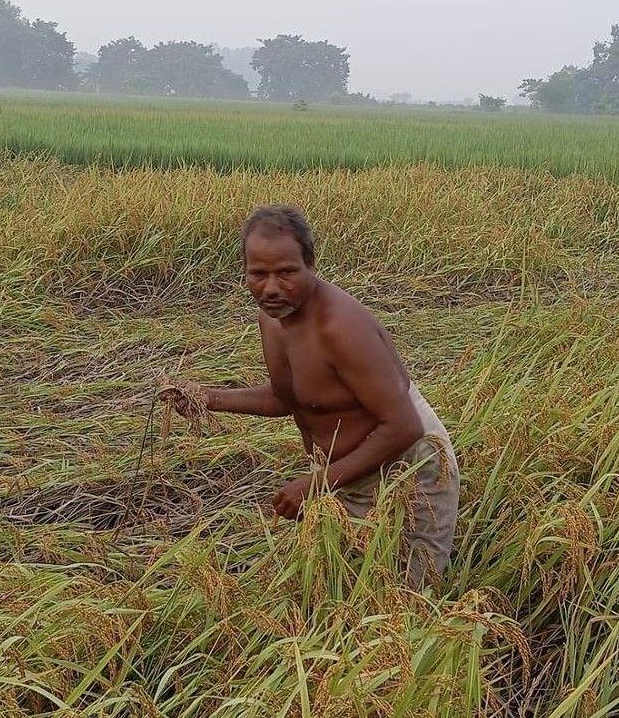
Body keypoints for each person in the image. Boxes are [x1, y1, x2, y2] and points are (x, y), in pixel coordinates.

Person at [168, 205, 459, 589]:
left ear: (311, 265)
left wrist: (315, 485)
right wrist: (207, 398)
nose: (271, 288)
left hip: (408, 467)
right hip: (347, 473)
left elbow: (404, 426)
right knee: (344, 582)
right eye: (258, 274)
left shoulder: (341, 328)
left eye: (287, 272)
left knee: (407, 594)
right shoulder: (273, 318)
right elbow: (289, 398)